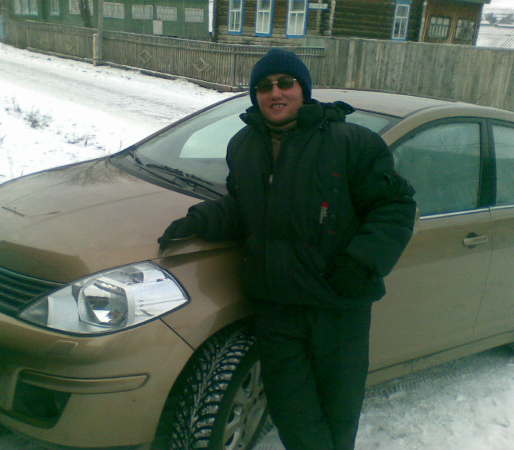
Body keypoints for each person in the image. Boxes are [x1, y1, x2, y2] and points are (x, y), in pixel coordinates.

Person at [158, 48, 416, 450]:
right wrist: (200, 220)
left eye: (285, 83)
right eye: (264, 86)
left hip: (337, 307)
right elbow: (243, 206)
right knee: (293, 413)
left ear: (303, 89)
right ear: (255, 95)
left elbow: (396, 206)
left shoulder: (352, 143)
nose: (275, 93)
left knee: (337, 413)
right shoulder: (243, 145)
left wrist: (361, 262)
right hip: (276, 307)